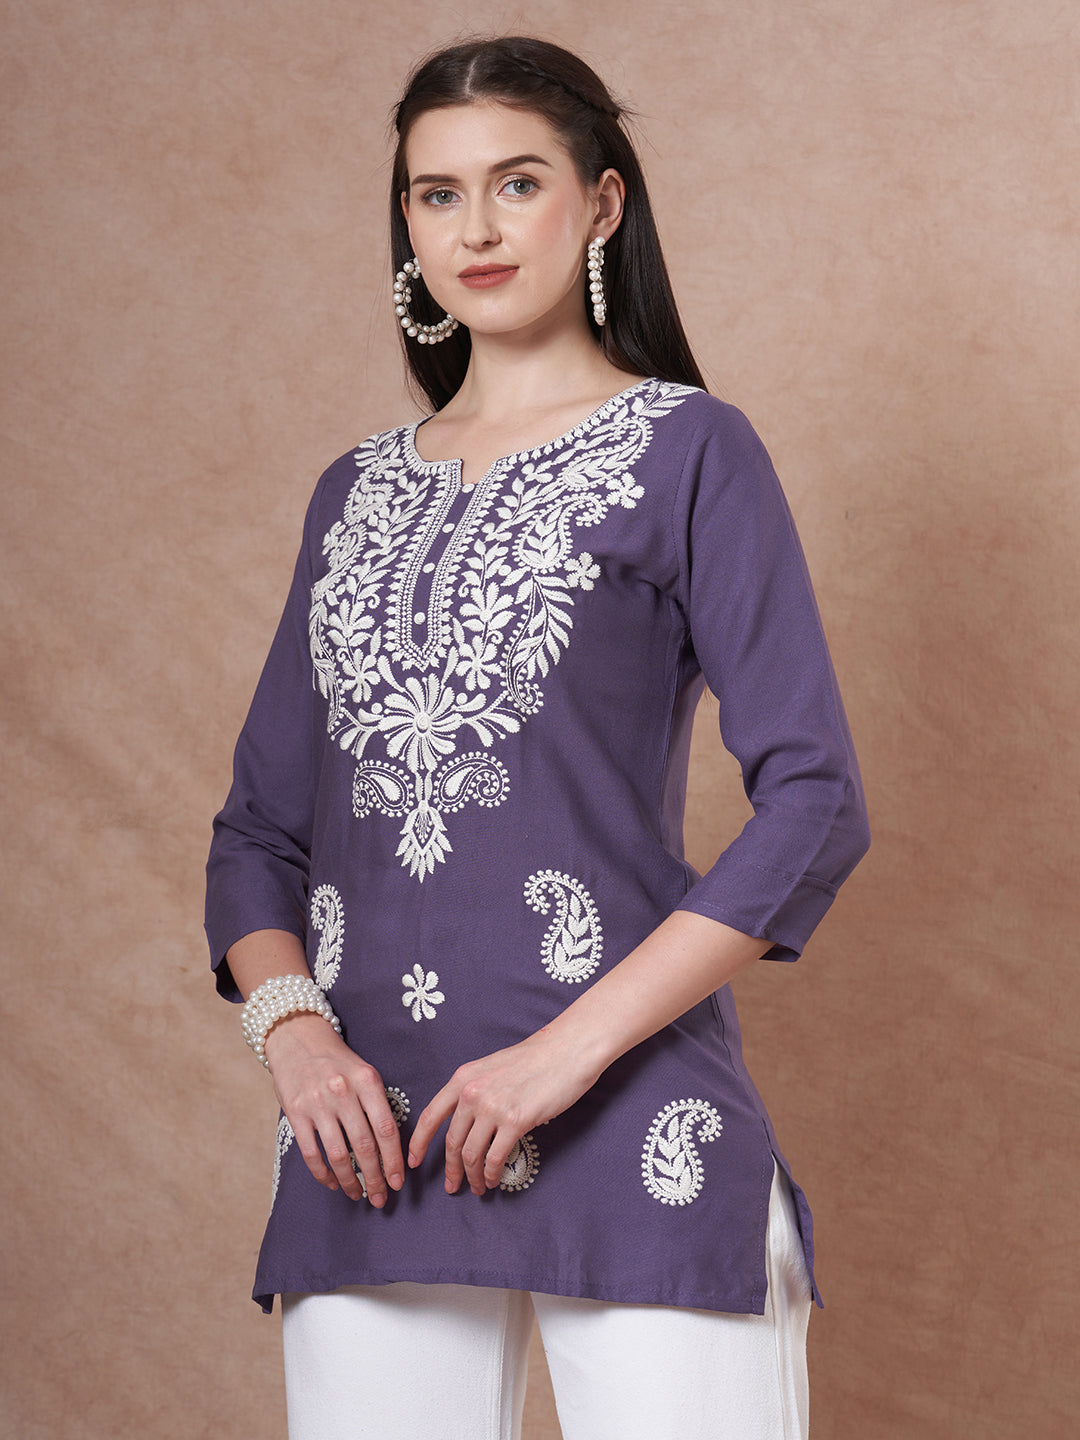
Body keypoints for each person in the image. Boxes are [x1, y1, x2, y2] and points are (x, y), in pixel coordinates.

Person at [205, 35, 870, 1440]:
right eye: (436, 194)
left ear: (602, 205)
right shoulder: (352, 495)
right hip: (370, 1150)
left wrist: (564, 1057)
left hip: (634, 1122)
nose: (477, 229)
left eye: (517, 183)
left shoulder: (692, 452)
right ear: (406, 226)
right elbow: (258, 833)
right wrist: (297, 1041)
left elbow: (814, 800)